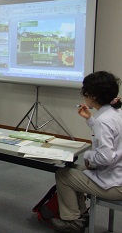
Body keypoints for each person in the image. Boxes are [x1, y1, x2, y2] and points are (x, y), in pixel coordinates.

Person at [51, 71, 122, 232]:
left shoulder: (103, 121)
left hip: (115, 185)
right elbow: (108, 137)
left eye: (85, 92)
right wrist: (90, 120)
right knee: (71, 169)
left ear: (93, 96)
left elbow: (105, 157)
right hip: (116, 175)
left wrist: (89, 157)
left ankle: (73, 221)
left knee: (63, 175)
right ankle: (80, 214)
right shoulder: (115, 113)